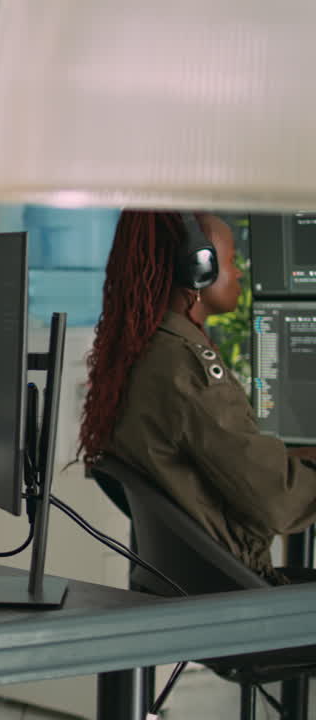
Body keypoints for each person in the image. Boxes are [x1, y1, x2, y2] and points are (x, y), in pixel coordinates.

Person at [79, 209, 316, 585]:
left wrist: (295, 459)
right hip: (243, 596)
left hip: (204, 588)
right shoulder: (185, 370)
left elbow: (224, 458)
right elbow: (278, 502)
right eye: (231, 261)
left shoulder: (144, 351)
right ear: (198, 270)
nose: (239, 273)